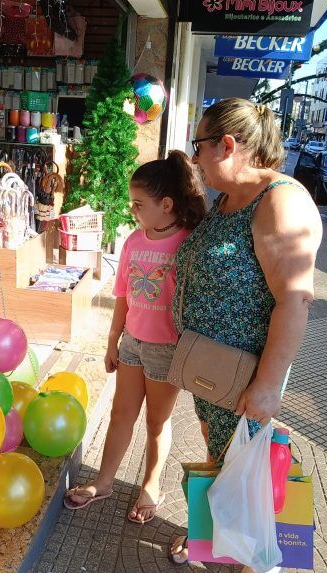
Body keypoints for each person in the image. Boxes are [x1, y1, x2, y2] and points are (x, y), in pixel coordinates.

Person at [168, 98, 322, 573]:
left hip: (247, 372)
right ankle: (215, 535)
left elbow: (295, 301)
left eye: (199, 147)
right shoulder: (230, 198)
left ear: (227, 145)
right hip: (215, 367)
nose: (196, 160)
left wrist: (268, 386)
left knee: (250, 466)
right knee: (224, 455)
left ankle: (261, 563)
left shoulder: (281, 202)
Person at [63, 151, 207, 524]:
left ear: (167, 204)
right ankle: (105, 481)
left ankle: (152, 485)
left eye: (139, 204)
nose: (133, 211)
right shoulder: (132, 241)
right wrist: (112, 342)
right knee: (120, 414)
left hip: (166, 351)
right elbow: (124, 295)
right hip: (132, 345)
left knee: (157, 423)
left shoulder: (188, 244)